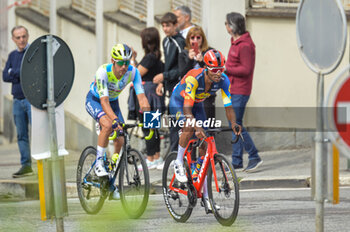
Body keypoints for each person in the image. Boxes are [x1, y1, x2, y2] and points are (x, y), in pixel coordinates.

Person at [169, 49, 241, 212]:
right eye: (215, 70)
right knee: (190, 125)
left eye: (221, 70)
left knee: (206, 145)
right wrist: (196, 127)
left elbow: (228, 105)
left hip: (197, 104)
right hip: (180, 103)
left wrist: (234, 124)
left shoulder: (223, 80)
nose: (218, 74)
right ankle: (179, 162)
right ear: (207, 68)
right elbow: (187, 111)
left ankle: (206, 196)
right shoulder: (195, 78)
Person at [85, 43, 150, 178]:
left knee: (120, 138)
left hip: (113, 102)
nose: (124, 67)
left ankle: (111, 174)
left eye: (126, 62)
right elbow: (104, 101)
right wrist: (114, 120)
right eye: (121, 63)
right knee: (108, 125)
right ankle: (98, 164)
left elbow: (142, 98)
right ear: (113, 61)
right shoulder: (103, 72)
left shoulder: (133, 72)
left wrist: (150, 120)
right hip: (96, 100)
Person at [225, 12, 263, 172]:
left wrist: (227, 69)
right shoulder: (236, 42)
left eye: (226, 24)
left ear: (232, 26)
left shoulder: (245, 45)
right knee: (234, 124)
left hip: (241, 90)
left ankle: (254, 156)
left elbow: (246, 69)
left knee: (236, 124)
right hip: (233, 88)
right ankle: (237, 161)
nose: (225, 27)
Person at [130, 27, 165, 170]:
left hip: (148, 96)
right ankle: (156, 157)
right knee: (153, 127)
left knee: (148, 128)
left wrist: (132, 60)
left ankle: (151, 158)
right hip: (154, 96)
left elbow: (136, 73)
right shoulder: (156, 55)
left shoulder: (150, 57)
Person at [2, 25, 33, 178]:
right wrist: (18, 72)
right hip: (17, 101)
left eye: (23, 36)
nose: (21, 40)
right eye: (18, 37)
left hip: (30, 100)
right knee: (21, 135)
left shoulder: (32, 53)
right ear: (13, 39)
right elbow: (4, 76)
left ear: (27, 36)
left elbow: (28, 72)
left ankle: (43, 164)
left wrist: (13, 72)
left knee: (39, 133)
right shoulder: (13, 55)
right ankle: (26, 165)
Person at [153, 12, 185, 153]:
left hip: (179, 88)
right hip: (169, 88)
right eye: (163, 26)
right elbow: (168, 65)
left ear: (175, 25)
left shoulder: (181, 42)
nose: (165, 29)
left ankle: (177, 154)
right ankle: (173, 155)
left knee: (179, 123)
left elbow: (182, 70)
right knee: (172, 123)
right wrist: (163, 82)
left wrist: (163, 76)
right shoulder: (165, 41)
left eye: (168, 26)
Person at [178, 26, 216, 122]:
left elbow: (214, 73)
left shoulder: (209, 52)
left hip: (206, 95)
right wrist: (190, 61)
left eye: (198, 38)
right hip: (189, 94)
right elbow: (182, 75)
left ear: (202, 39)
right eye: (192, 38)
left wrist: (202, 62)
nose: (195, 40)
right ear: (188, 40)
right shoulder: (183, 54)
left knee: (207, 123)